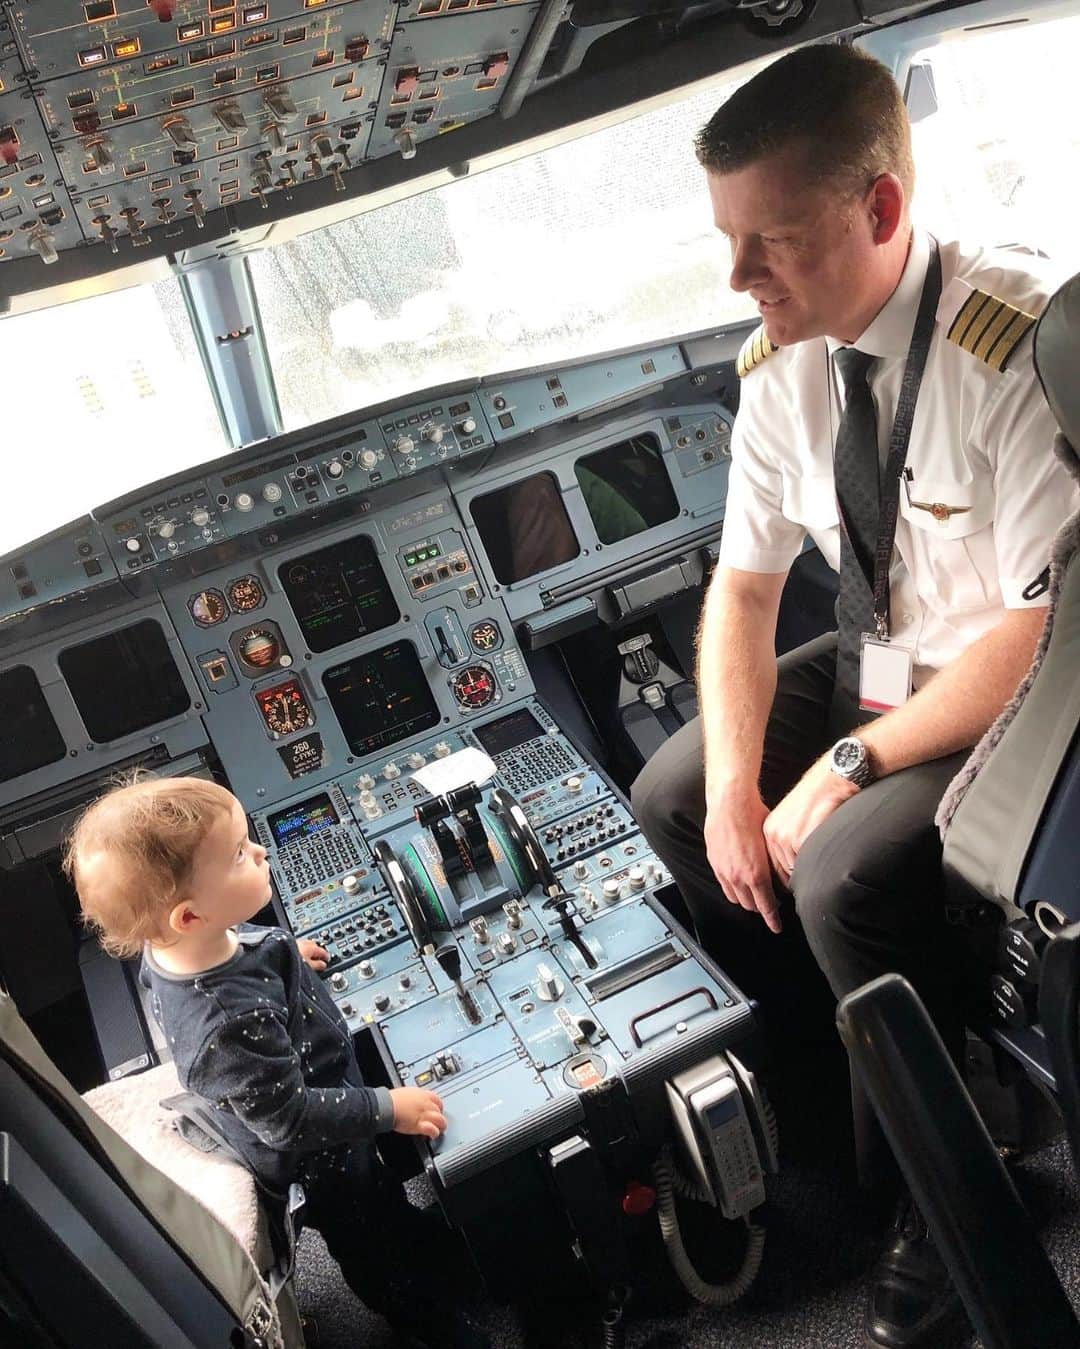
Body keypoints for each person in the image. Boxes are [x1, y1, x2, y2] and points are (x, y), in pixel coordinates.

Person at [630, 43, 1078, 1349]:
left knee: (838, 872)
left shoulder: (1015, 346)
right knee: (672, 798)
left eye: (768, 241)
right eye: (727, 241)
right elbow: (746, 592)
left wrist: (847, 770)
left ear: (881, 210)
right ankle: (833, 1092)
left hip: (1004, 687)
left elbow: (1044, 623)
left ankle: (945, 1187)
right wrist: (729, 777)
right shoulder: (778, 371)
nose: (738, 278)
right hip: (884, 655)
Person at [64, 774, 488, 1349]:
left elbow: (229, 937)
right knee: (373, 1246)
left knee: (388, 1206)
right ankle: (430, 1322)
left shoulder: (177, 945)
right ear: (189, 917)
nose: (259, 852)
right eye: (240, 854)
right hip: (324, 1157)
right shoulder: (228, 1022)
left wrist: (283, 957)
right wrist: (388, 1108)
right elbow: (289, 1120)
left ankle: (420, 1240)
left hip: (319, 1096)